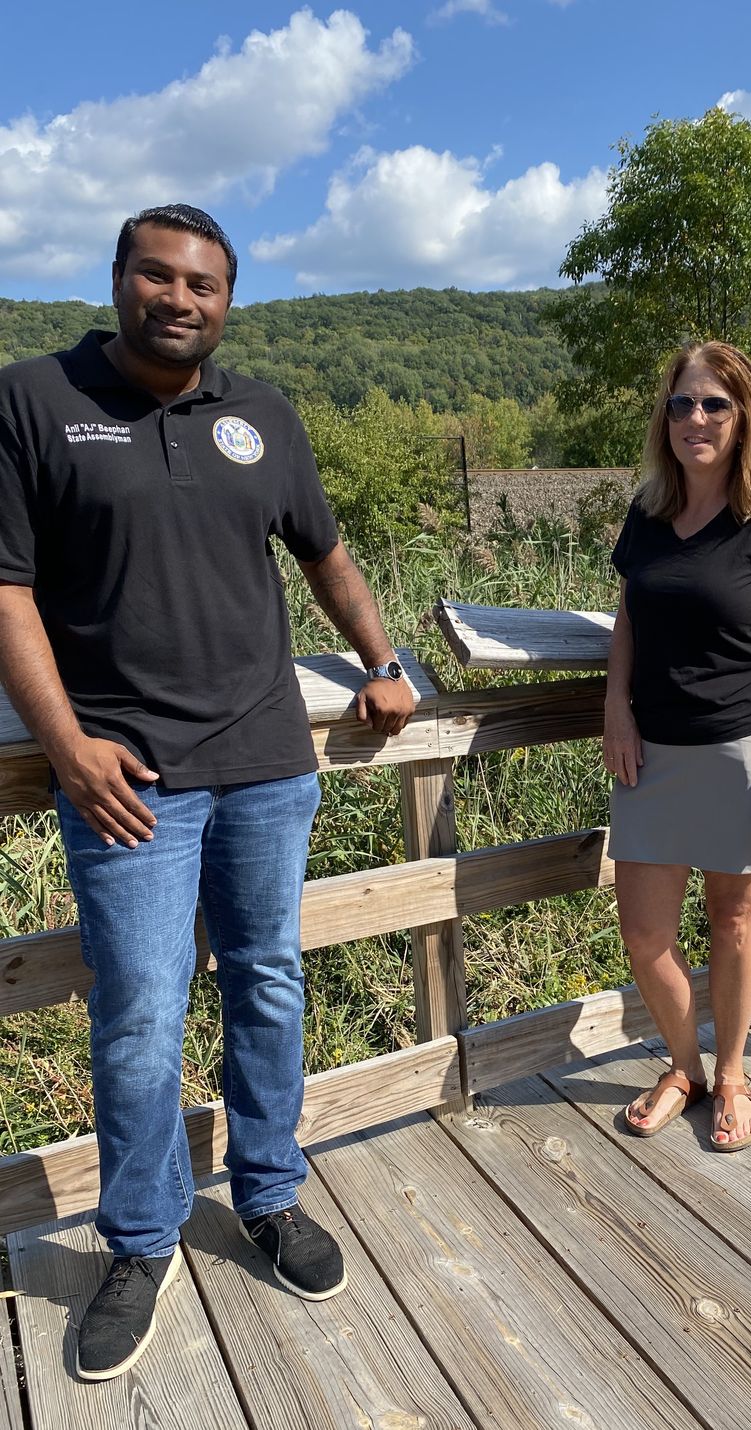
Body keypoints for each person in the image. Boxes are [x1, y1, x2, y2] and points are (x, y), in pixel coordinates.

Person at [0, 205, 414, 1382]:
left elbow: (324, 552)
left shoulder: (261, 416)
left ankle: (272, 1193)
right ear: (120, 277)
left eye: (205, 284)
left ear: (228, 298)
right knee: (137, 1009)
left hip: (268, 759)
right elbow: (8, 591)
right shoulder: (33, 402)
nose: (180, 299)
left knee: (270, 982)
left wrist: (382, 664)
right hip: (129, 775)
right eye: (158, 275)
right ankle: (141, 1238)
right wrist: (68, 745)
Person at [604, 341, 751, 1151]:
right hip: (651, 753)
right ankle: (684, 1065)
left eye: (714, 405)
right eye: (682, 404)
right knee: (644, 934)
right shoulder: (649, 510)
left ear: (743, 416)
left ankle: (731, 1073)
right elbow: (629, 619)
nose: (697, 419)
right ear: (665, 416)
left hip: (743, 751)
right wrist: (616, 710)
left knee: (733, 922)